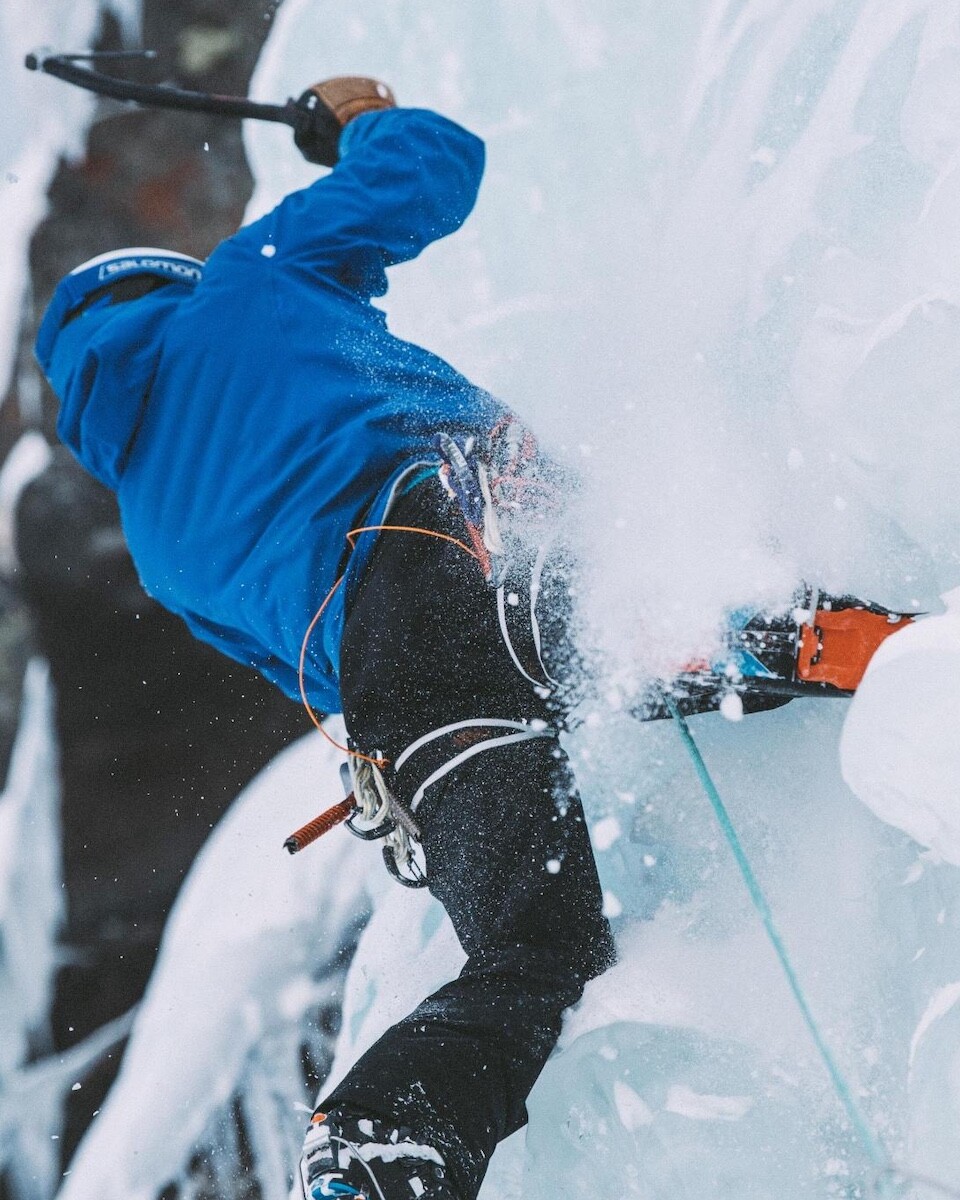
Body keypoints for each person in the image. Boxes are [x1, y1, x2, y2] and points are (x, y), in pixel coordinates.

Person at [36, 78, 617, 1200]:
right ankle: (748, 633)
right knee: (640, 602)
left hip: (399, 684)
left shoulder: (157, 540)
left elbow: (303, 672)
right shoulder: (242, 289)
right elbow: (433, 167)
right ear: (165, 286)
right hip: (460, 528)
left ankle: (387, 1137)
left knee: (535, 949)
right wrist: (356, 124)